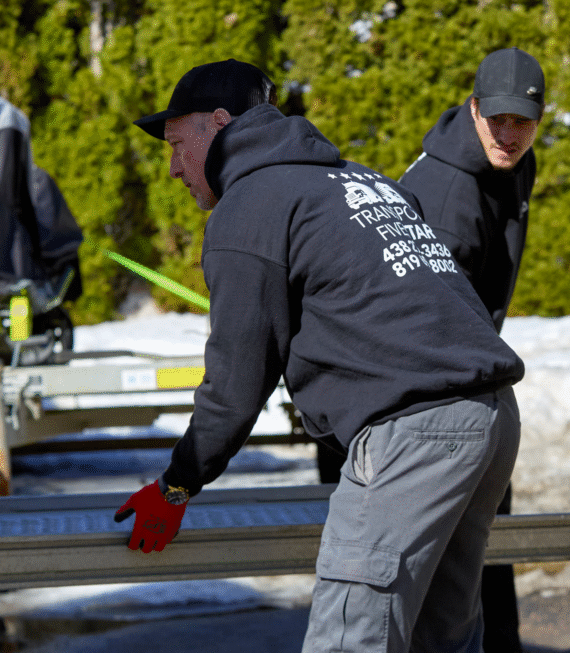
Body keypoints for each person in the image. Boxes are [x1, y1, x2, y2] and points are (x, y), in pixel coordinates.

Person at [115, 58, 525, 653]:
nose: (174, 167)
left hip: (415, 436)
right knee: (443, 637)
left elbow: (236, 384)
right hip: (489, 418)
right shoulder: (362, 181)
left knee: (348, 639)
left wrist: (177, 485)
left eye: (177, 145)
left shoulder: (250, 205)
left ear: (220, 123)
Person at [398, 46, 545, 653]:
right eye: (497, 120)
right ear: (472, 108)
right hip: (422, 394)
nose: (509, 135)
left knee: (482, 548)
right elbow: (417, 326)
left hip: (467, 373)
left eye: (523, 122)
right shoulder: (450, 198)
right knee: (435, 576)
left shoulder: (509, 164)